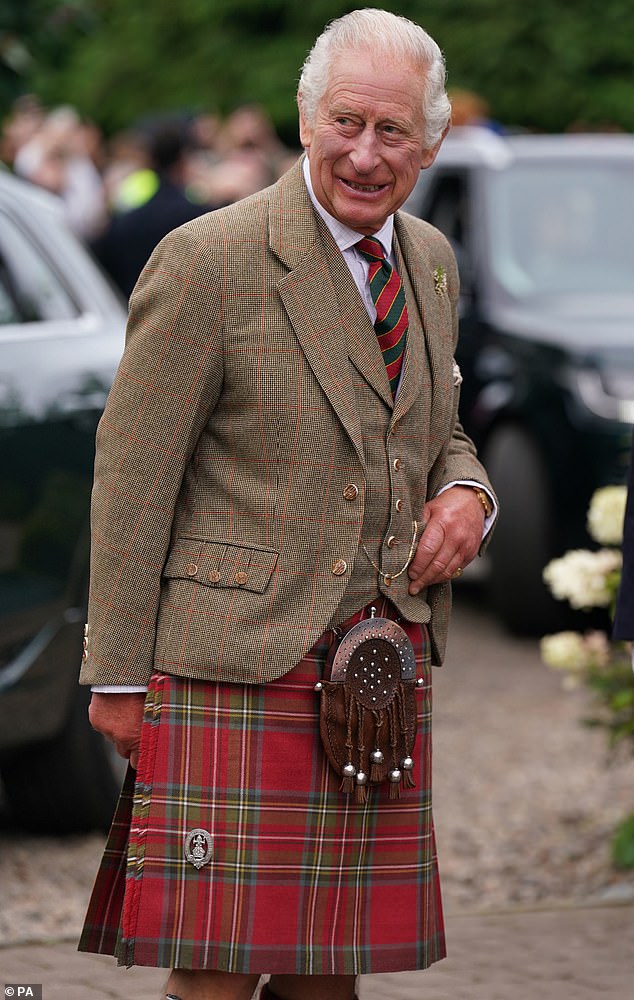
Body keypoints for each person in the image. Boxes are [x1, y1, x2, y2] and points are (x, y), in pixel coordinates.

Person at [79, 9, 497, 1000]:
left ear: (430, 142)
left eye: (392, 131)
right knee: (214, 973)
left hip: (376, 677)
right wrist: (117, 673)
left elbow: (437, 425)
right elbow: (135, 477)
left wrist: (468, 490)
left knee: (330, 975)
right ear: (304, 119)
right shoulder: (207, 259)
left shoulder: (430, 258)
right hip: (232, 658)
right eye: (345, 121)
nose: (364, 152)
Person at [91, 119, 213, 298]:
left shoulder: (124, 216)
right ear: (183, 158)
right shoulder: (201, 215)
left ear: (148, 158)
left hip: (132, 311)